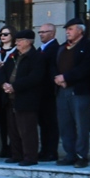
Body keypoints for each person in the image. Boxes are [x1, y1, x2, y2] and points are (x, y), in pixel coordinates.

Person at [54, 17, 90, 167]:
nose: (67, 32)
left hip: (79, 91)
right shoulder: (62, 47)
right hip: (62, 90)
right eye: (67, 30)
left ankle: (81, 155)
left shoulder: (88, 46)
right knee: (65, 124)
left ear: (80, 30)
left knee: (81, 124)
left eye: (70, 29)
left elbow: (86, 68)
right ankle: (69, 154)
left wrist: (66, 77)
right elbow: (55, 65)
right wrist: (58, 78)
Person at [0, 30, 45, 166]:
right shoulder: (13, 55)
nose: (17, 42)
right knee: (12, 128)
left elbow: (35, 78)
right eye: (16, 40)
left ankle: (30, 157)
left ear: (29, 41)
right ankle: (16, 154)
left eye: (20, 40)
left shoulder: (36, 57)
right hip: (10, 98)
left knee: (27, 129)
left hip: (26, 98)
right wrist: (4, 84)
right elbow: (3, 72)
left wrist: (15, 86)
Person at [0, 25, 17, 159]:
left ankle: (14, 146)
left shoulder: (16, 50)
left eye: (6, 34)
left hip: (12, 88)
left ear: (12, 35)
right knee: (2, 120)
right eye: (1, 34)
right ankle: (4, 146)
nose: (3, 36)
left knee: (13, 120)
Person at [36, 24, 60, 161]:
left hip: (50, 92)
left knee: (51, 123)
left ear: (52, 33)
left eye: (44, 32)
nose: (41, 34)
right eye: (40, 32)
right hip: (40, 92)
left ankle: (51, 151)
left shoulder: (56, 48)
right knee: (43, 123)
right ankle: (44, 149)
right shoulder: (40, 49)